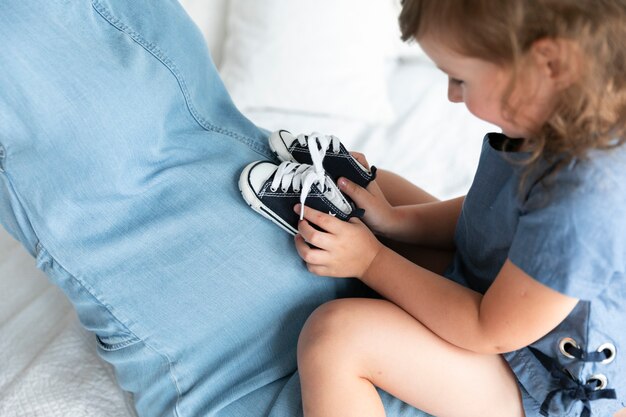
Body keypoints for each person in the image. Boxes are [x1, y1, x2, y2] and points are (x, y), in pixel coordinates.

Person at [0, 1, 435, 417]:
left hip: (236, 359)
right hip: (335, 276)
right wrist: (377, 215)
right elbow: (469, 245)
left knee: (49, 68)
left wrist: (376, 252)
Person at [293, 1, 626, 417]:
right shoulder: (559, 116)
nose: (452, 95)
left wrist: (371, 261)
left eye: (460, 79)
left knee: (335, 336)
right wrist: (396, 220)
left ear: (549, 64)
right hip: (497, 296)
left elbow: (487, 328)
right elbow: (492, 214)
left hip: (538, 380)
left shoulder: (584, 203)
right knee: (386, 191)